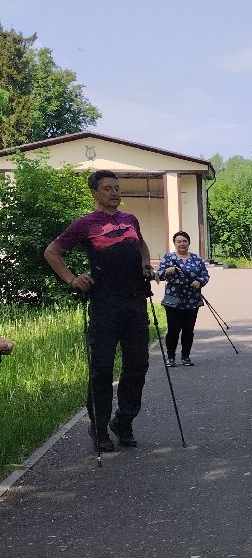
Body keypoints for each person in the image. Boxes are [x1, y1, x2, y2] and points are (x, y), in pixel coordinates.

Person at [44, 169, 153, 451]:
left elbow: (141, 244)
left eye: (117, 188)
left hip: (135, 301)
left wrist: (145, 265)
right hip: (104, 304)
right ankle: (100, 427)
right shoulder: (85, 224)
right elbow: (52, 252)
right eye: (108, 189)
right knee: (102, 369)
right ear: (94, 192)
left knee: (138, 365)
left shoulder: (130, 220)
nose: (115, 193)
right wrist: (71, 279)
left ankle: (124, 420)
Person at [157, 231, 210, 366]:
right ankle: (171, 357)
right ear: (174, 243)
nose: (182, 244)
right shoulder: (168, 258)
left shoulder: (196, 259)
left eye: (184, 241)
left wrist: (199, 282)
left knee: (188, 330)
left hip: (192, 300)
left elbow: (205, 275)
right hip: (173, 300)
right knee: (173, 330)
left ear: (188, 243)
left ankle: (185, 356)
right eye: (179, 241)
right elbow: (159, 275)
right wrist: (168, 271)